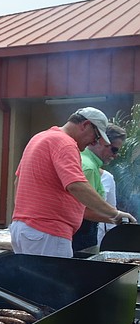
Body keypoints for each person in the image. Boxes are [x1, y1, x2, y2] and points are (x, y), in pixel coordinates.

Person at [11, 108, 136, 257]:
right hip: (47, 232)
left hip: (25, 229)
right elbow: (76, 185)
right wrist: (114, 214)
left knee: (32, 280)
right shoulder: (65, 143)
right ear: (85, 124)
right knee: (54, 280)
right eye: (96, 137)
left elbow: (17, 182)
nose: (93, 142)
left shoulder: (40, 137)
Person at [72, 123, 127, 252]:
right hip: (78, 236)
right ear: (101, 142)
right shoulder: (89, 167)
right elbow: (82, 210)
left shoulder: (87, 162)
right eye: (114, 149)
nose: (115, 155)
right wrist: (117, 217)